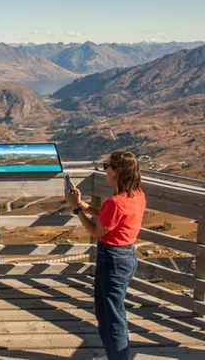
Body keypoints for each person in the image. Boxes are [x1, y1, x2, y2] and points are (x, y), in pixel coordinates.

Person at [65, 151, 146, 360]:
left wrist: (76, 210)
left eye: (106, 166)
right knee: (109, 313)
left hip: (112, 259)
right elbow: (109, 217)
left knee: (111, 317)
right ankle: (114, 356)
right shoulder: (136, 194)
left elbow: (96, 231)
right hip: (126, 257)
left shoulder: (116, 202)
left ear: (118, 171)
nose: (104, 169)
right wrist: (82, 204)